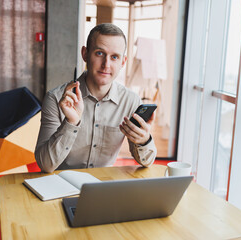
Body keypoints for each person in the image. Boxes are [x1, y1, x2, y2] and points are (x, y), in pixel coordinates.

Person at [35, 23, 157, 173]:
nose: (106, 64)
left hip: (102, 186)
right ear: (85, 54)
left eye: (114, 57)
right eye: (99, 53)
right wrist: (71, 123)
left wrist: (144, 140)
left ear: (123, 62)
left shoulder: (131, 101)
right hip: (62, 184)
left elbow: (147, 162)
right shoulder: (55, 98)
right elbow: (45, 165)